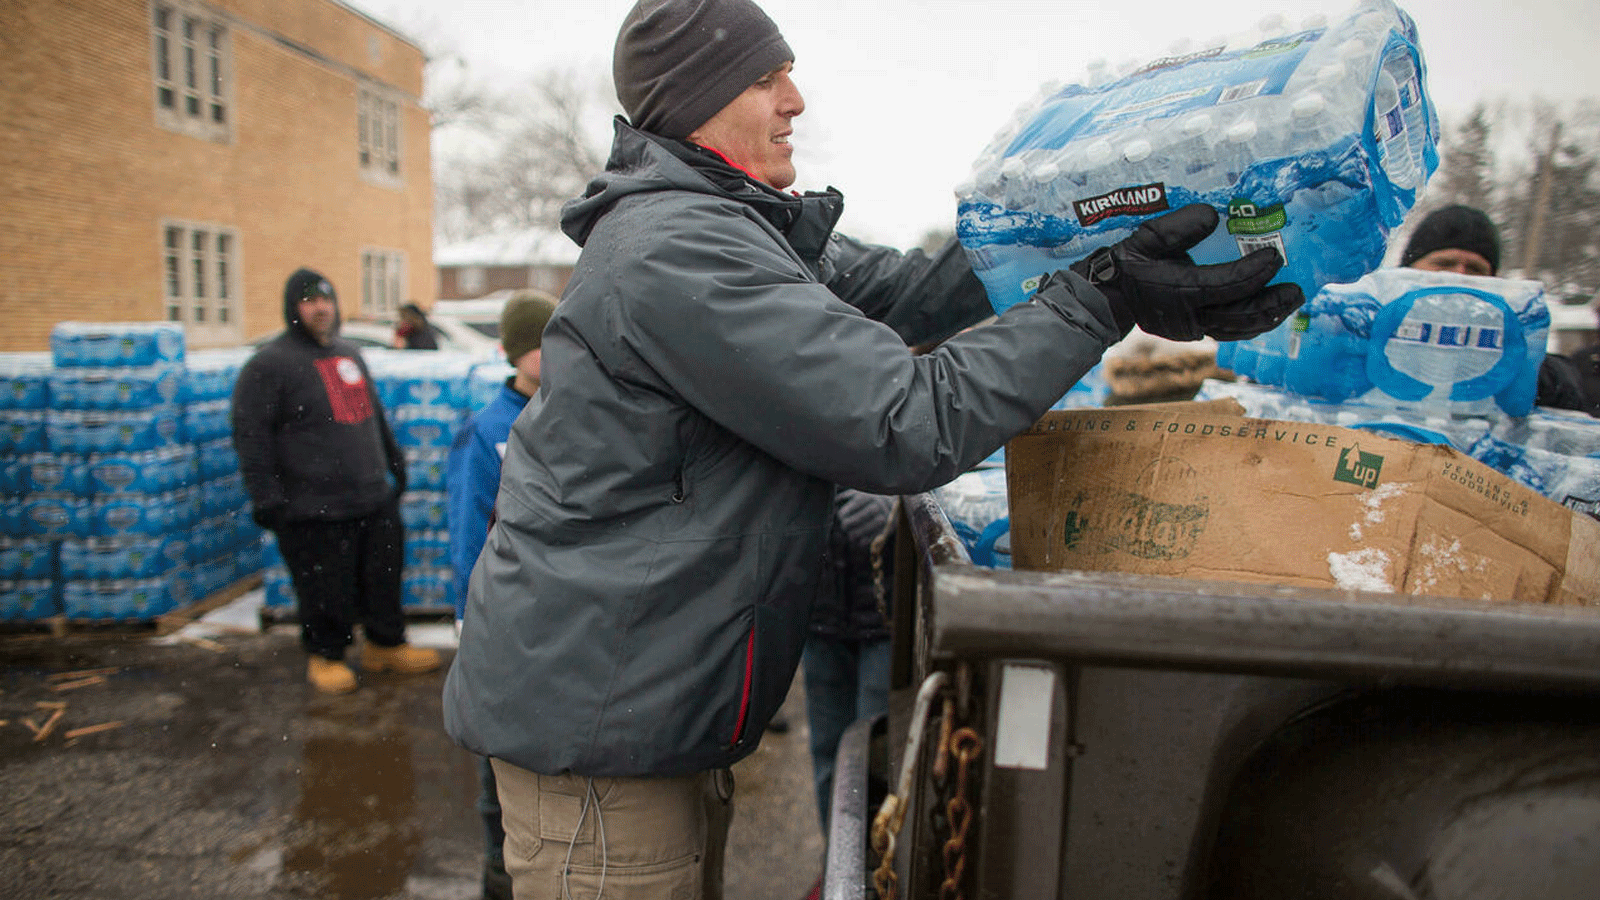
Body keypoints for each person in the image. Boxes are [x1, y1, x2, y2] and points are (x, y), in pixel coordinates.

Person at [441, 1, 1301, 897]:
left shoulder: (737, 228)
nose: (795, 99)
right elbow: (907, 421)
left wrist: (1095, 233)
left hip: (644, 711)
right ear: (695, 101)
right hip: (600, 731)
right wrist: (1099, 299)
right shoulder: (678, 250)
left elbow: (922, 290)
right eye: (765, 78)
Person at [232, 267, 441, 694]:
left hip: (371, 495)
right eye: (310, 302)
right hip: (312, 505)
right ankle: (325, 655)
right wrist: (266, 496)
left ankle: (385, 645)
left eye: (326, 300)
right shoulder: (269, 365)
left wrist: (394, 463)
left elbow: (373, 414)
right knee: (325, 588)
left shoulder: (348, 354)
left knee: (382, 577)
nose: (321, 309)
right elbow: (251, 435)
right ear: (293, 308)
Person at [445, 289, 557, 900]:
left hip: (548, 624)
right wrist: (469, 617)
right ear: (517, 353)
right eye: (543, 342)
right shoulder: (487, 433)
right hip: (497, 622)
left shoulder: (567, 415)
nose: (555, 352)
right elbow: (469, 532)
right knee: (495, 759)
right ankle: (498, 870)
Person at [1401, 204, 1598, 414]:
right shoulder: (1371, 328)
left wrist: (1525, 371)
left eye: (1475, 269)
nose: (1460, 276)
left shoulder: (1506, 347)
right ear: (1406, 271)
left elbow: (1571, 388)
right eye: (1444, 263)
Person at [801, 488, 895, 894]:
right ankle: (836, 872)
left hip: (886, 612)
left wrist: (900, 505)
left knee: (878, 763)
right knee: (829, 755)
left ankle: (876, 881)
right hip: (818, 604)